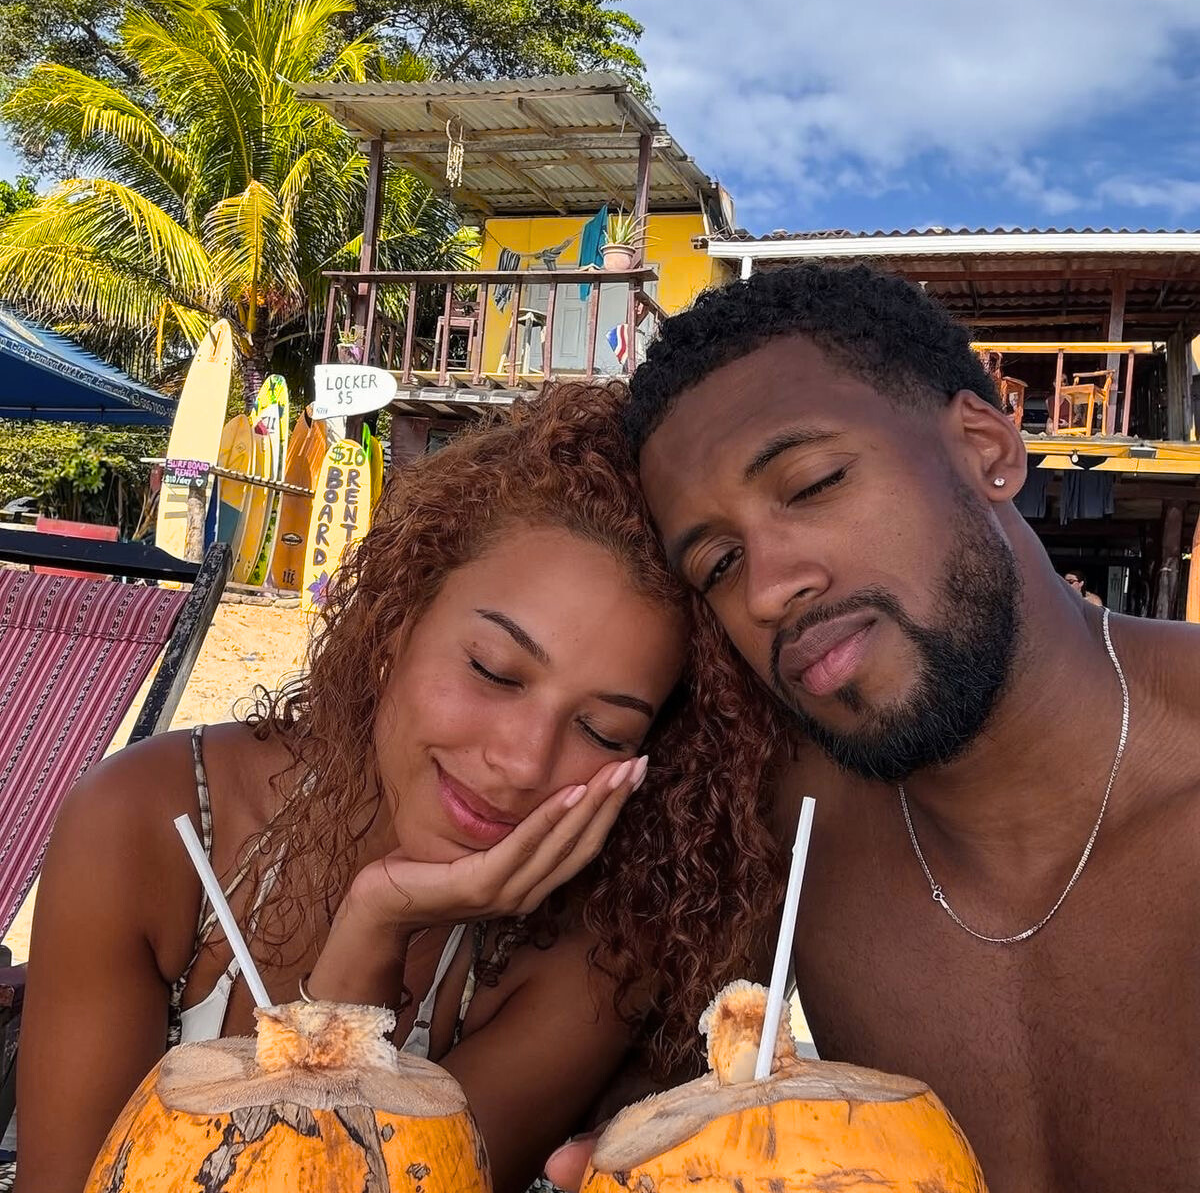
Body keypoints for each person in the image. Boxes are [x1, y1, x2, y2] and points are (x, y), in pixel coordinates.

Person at [18, 381, 783, 1193]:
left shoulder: (594, 957)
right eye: (493, 671)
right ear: (394, 627)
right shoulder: (151, 824)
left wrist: (374, 929)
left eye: (603, 732)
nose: (523, 763)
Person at [550, 264, 1199, 1193]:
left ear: (985, 449)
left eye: (812, 483)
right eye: (720, 562)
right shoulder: (784, 834)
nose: (769, 589)